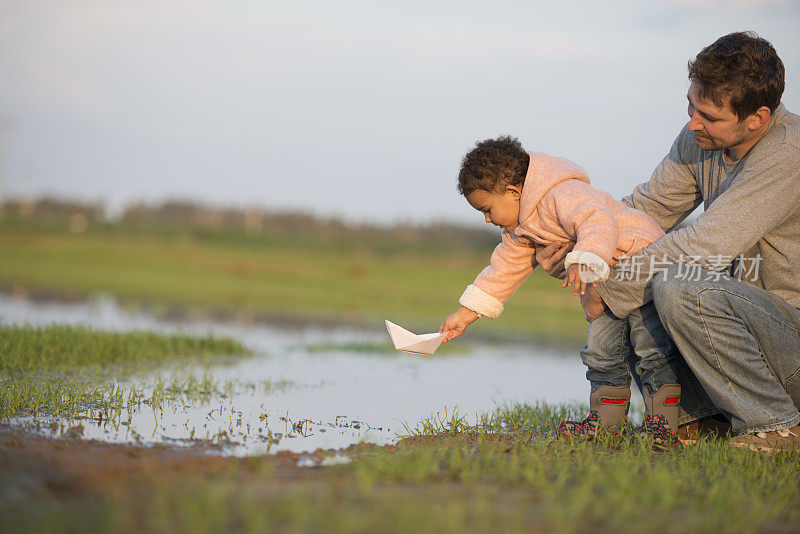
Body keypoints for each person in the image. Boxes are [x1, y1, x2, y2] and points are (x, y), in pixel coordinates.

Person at [538, 31, 800, 451]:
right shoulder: (699, 138)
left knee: (675, 285)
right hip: (734, 340)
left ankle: (777, 425)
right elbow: (641, 213)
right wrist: (579, 251)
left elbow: (707, 244)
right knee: (635, 272)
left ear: (758, 119)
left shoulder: (788, 153)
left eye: (710, 116)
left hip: (789, 340)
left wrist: (606, 286)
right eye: (692, 107)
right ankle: (699, 419)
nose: (694, 122)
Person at [438, 136, 682, 444]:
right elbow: (502, 271)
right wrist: (465, 314)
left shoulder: (562, 193)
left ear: (514, 192)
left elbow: (597, 220)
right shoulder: (519, 231)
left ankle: (664, 425)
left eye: (487, 210)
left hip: (641, 267)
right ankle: (607, 424)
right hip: (605, 285)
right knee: (600, 349)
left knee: (651, 348)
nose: (488, 220)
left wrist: (584, 261)